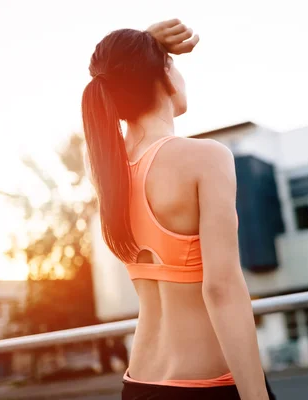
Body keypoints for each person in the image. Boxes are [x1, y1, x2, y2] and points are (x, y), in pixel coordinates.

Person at [81, 19, 274, 400]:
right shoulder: (206, 158)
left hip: (140, 384)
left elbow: (115, 77)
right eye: (172, 63)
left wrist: (145, 46)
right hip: (207, 386)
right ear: (165, 73)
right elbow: (222, 290)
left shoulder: (107, 172)